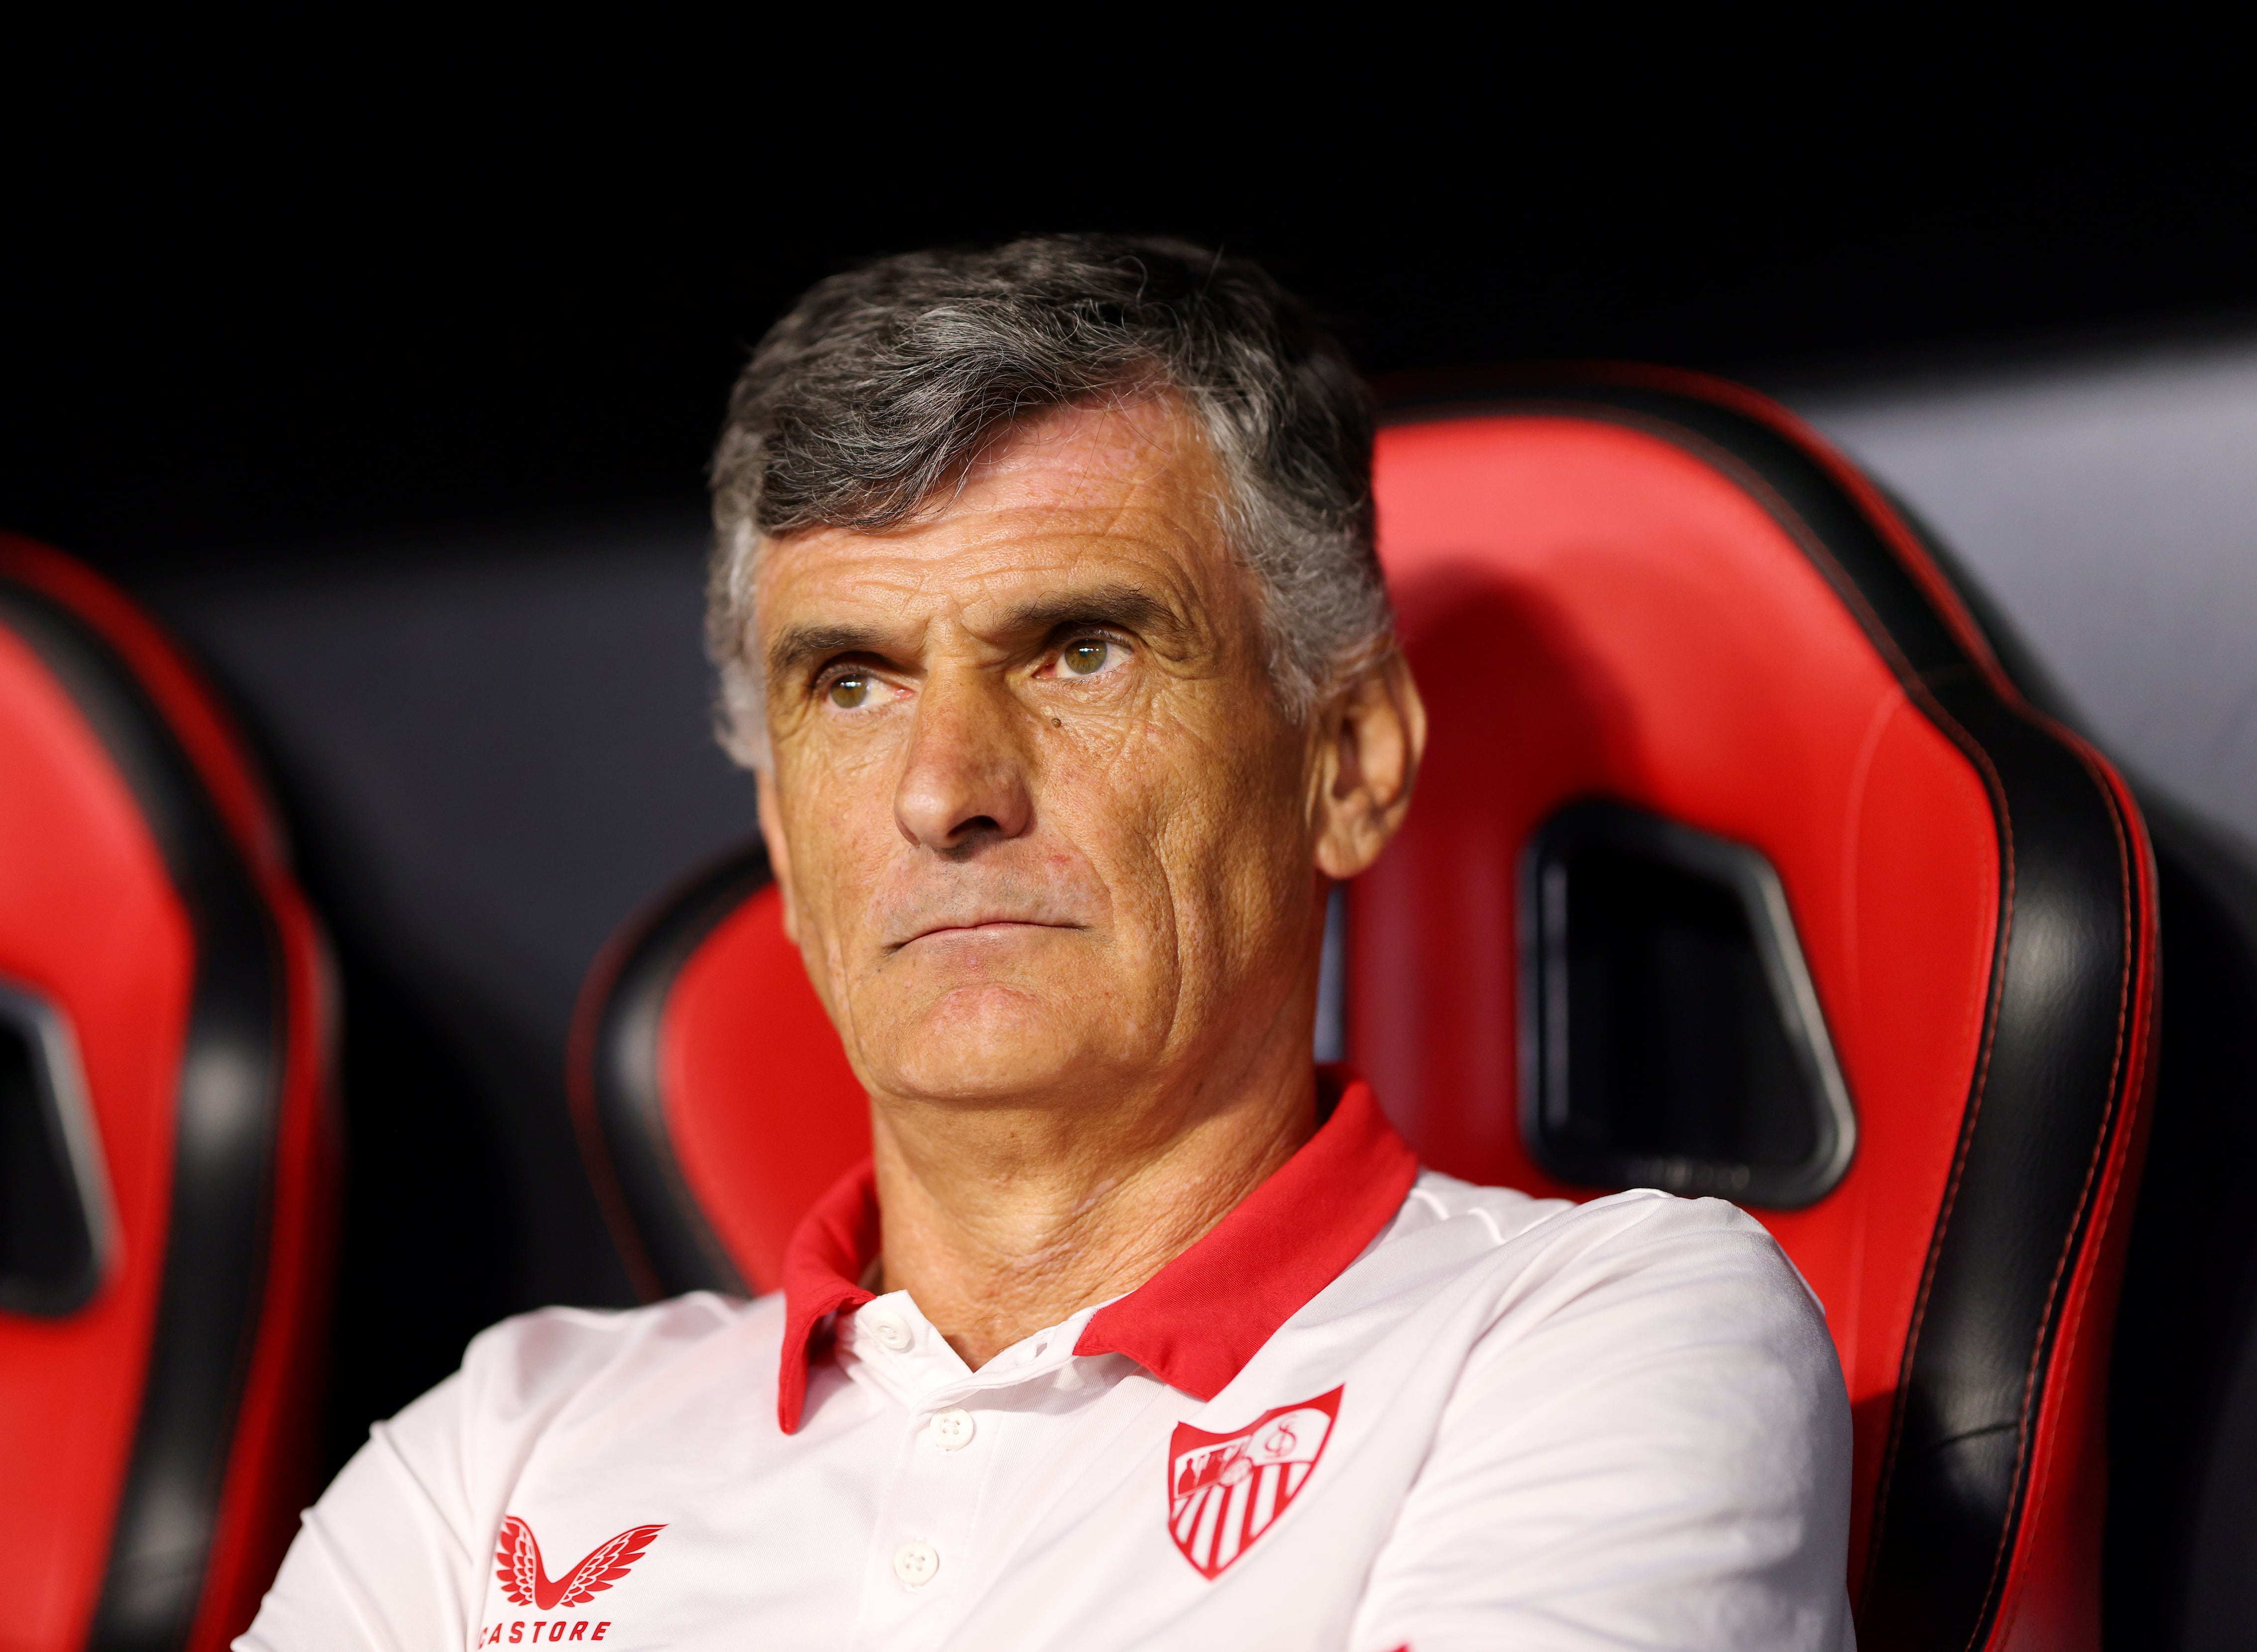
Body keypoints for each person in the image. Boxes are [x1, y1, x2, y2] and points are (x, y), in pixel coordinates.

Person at [238, 235, 1852, 1652]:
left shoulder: (1600, 1338)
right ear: (788, 846)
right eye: (852, 682)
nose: (946, 790)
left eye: (1081, 650)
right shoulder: (496, 1450)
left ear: (1346, 759)